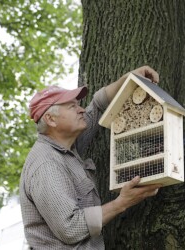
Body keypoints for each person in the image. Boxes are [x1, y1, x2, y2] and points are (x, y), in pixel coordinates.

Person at [19, 66, 162, 249]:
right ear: (51, 119)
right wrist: (122, 202)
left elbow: (97, 106)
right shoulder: (46, 164)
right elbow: (70, 227)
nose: (80, 110)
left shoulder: (67, 145)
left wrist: (128, 79)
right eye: (72, 106)